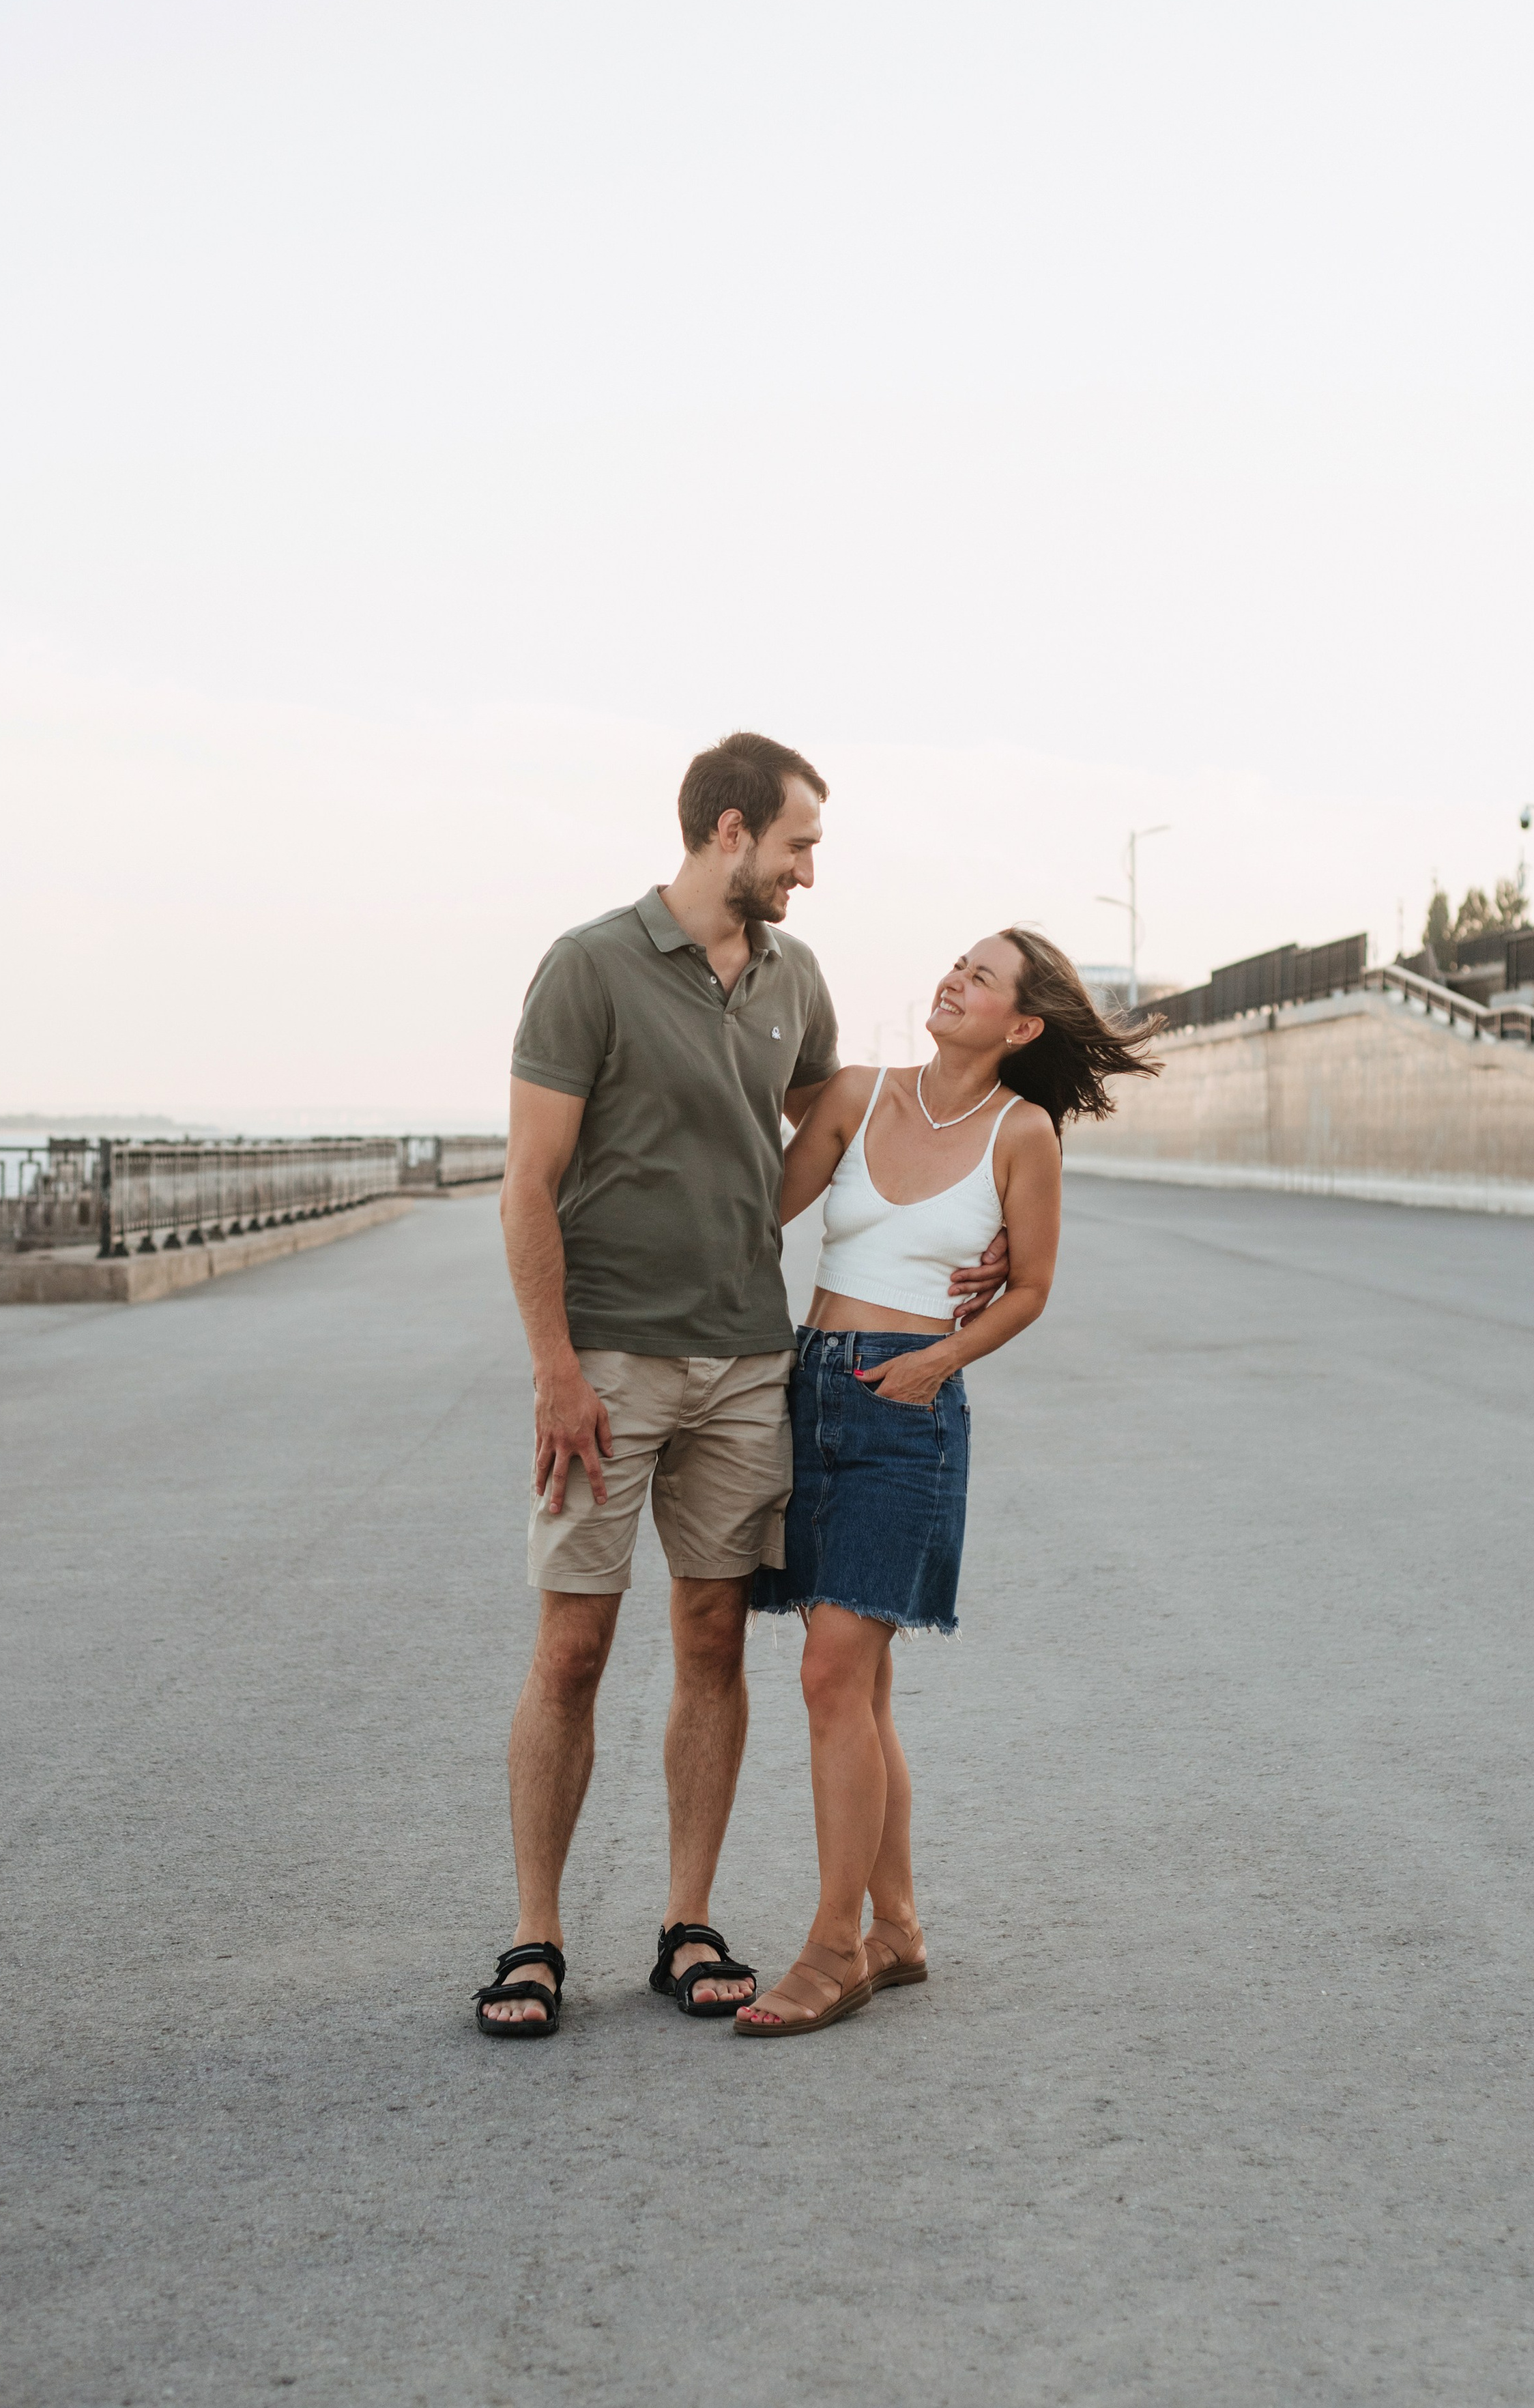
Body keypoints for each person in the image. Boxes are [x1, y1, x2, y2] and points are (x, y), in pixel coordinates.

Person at [474, 733, 1009, 2037]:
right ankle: (536, 1936)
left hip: (748, 1360)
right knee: (573, 1648)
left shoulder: (794, 978)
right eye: (797, 846)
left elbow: (853, 1131)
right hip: (608, 1359)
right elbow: (527, 1181)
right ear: (731, 831)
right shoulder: (590, 965)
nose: (807, 873)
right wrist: (554, 1367)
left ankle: (687, 1922)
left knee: (714, 1639)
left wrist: (979, 1225)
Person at [736, 929, 1160, 2037]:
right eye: (956, 965)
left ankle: (835, 1949)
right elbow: (758, 1213)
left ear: (1021, 1026)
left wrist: (939, 1360)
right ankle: (898, 1928)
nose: (954, 980)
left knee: (831, 1674)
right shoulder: (858, 1094)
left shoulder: (1023, 1135)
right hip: (811, 1390)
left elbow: (1032, 1288)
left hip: (908, 1413)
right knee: (862, 1688)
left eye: (981, 977)